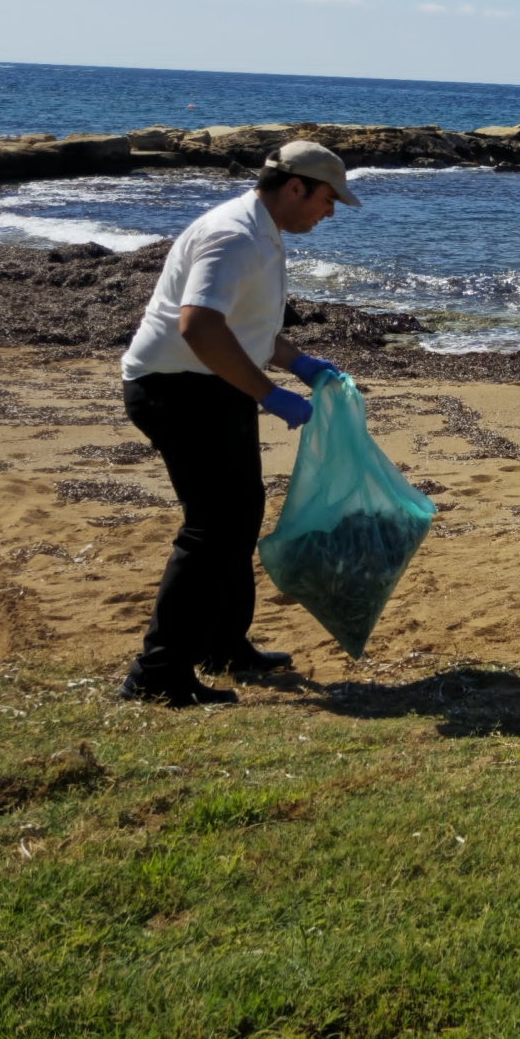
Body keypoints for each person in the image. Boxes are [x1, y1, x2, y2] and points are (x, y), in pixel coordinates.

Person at [117, 140, 360, 705]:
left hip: (214, 387)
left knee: (238, 517)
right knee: (212, 529)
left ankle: (224, 645)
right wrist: (271, 395)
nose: (330, 213)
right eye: (327, 200)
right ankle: (157, 674)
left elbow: (243, 325)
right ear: (295, 186)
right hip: (177, 391)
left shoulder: (264, 232)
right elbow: (199, 327)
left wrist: (297, 361)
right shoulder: (235, 235)